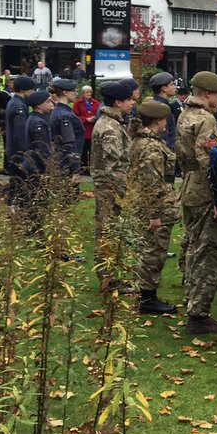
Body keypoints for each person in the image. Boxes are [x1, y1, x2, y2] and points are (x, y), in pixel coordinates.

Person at [176, 70, 217, 335]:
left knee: (193, 246)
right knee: (208, 251)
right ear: (208, 94)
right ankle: (198, 314)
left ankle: (191, 299)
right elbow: (209, 160)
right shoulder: (206, 119)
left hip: (189, 186)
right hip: (203, 190)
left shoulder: (185, 114)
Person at [126, 100, 179, 315]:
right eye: (164, 119)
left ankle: (144, 293)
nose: (166, 123)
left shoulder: (142, 141)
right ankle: (147, 298)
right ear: (158, 121)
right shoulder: (151, 147)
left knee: (148, 249)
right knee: (153, 251)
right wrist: (155, 214)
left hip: (146, 203)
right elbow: (151, 182)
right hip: (154, 206)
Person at [91, 80, 136, 290]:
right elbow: (114, 165)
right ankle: (108, 280)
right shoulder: (110, 128)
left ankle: (111, 277)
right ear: (118, 102)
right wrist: (124, 193)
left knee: (111, 233)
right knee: (108, 233)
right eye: (129, 100)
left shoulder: (114, 123)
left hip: (109, 188)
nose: (132, 103)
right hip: (110, 189)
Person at [14, 90, 55, 233]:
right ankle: (34, 229)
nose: (52, 104)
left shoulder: (34, 118)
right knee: (37, 199)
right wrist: (48, 168)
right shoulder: (38, 122)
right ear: (39, 105)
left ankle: (31, 227)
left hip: (31, 164)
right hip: (36, 166)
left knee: (32, 198)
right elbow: (42, 148)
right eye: (48, 101)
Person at [47, 79, 84, 180]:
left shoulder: (59, 111)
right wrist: (76, 169)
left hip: (60, 161)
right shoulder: (65, 115)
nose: (76, 93)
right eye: (74, 90)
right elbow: (69, 143)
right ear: (65, 92)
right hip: (66, 165)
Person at [4, 75, 36, 178]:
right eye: (31, 90)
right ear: (23, 89)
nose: (33, 92)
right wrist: (25, 153)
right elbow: (20, 131)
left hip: (14, 151)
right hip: (18, 152)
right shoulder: (19, 106)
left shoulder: (14, 102)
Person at [148, 71, 179, 150]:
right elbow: (163, 133)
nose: (174, 87)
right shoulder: (161, 108)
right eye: (172, 84)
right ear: (164, 88)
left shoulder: (156, 104)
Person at [73, 85, 101, 173]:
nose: (89, 94)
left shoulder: (96, 103)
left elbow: (99, 113)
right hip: (83, 130)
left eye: (90, 92)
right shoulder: (78, 103)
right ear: (83, 93)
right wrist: (85, 119)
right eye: (87, 92)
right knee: (83, 151)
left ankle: (93, 169)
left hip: (93, 129)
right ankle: (83, 169)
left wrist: (95, 118)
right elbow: (75, 116)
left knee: (93, 151)